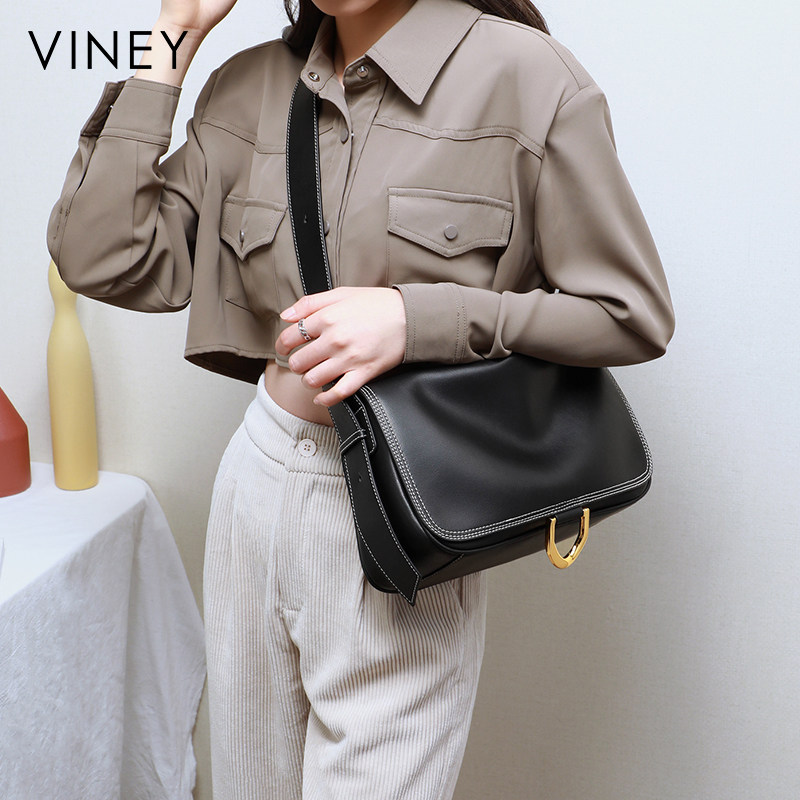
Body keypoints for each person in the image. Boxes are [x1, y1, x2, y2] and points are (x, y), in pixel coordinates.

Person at [47, 0, 675, 796]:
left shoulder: (526, 79)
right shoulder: (248, 87)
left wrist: (418, 319)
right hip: (258, 486)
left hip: (404, 509)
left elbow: (628, 313)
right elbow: (101, 255)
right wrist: (177, 35)